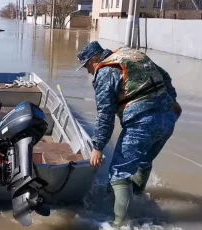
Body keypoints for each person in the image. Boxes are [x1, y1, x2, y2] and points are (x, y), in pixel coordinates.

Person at [76, 41, 182, 227]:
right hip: (168, 117)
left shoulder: (105, 71)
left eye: (87, 66)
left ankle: (120, 224)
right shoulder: (130, 54)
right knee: (143, 161)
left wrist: (98, 147)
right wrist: (172, 100)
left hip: (142, 122)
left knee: (118, 172)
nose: (88, 71)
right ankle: (138, 200)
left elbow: (105, 113)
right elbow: (165, 76)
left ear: (95, 58)